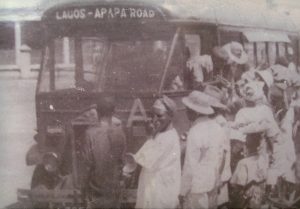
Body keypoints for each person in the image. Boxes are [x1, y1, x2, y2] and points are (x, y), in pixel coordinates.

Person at [123, 95, 181, 209]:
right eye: (152, 115)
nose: (154, 119)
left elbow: (146, 159)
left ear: (170, 116)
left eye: (159, 115)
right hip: (156, 188)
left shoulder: (167, 138)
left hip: (160, 192)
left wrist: (150, 135)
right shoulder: (162, 134)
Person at [179, 91, 225, 209]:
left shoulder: (195, 131)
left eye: (187, 108)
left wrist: (182, 191)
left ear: (194, 111)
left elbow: (190, 165)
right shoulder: (217, 127)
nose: (186, 111)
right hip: (212, 182)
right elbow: (221, 156)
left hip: (196, 187)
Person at [83, 98, 126, 209]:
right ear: (114, 112)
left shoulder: (89, 134)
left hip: (96, 188)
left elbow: (88, 164)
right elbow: (122, 162)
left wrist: (83, 188)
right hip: (114, 189)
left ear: (97, 112)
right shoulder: (120, 133)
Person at [230, 133, 268, 209]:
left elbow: (238, 183)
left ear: (246, 146)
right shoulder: (263, 159)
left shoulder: (243, 162)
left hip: (246, 198)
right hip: (259, 194)